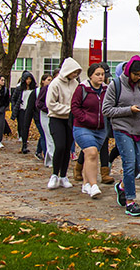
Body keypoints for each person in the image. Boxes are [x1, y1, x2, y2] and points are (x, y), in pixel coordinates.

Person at [104, 56, 140, 216]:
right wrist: (128, 110)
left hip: (139, 130)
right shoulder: (116, 85)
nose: (138, 77)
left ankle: (122, 187)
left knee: (138, 165)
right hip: (122, 129)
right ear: (128, 72)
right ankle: (130, 201)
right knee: (129, 164)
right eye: (135, 74)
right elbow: (106, 110)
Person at [71, 63, 109, 199]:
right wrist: (85, 119)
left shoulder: (106, 90)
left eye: (102, 74)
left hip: (100, 129)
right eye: (97, 74)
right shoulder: (82, 89)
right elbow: (74, 107)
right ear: (90, 75)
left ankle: (86, 184)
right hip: (83, 127)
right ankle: (94, 186)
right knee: (92, 153)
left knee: (90, 156)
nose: (101, 77)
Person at [46, 58, 81, 189]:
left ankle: (63, 176)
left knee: (68, 148)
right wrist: (69, 109)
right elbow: (50, 104)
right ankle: (54, 174)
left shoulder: (75, 84)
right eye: (74, 72)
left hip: (70, 120)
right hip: (56, 118)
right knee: (59, 146)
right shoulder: (55, 84)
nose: (75, 75)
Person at [10, 71, 38, 154]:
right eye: (27, 79)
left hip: (31, 109)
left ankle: (25, 141)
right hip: (22, 109)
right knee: (23, 126)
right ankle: (24, 144)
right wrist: (15, 107)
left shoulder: (34, 89)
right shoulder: (20, 88)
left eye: (30, 79)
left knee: (28, 126)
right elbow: (14, 98)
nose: (28, 81)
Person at [34, 73, 53, 163]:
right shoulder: (43, 90)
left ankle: (50, 158)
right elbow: (38, 103)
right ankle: (49, 158)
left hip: (55, 114)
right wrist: (47, 108)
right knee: (47, 137)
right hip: (45, 114)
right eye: (48, 80)